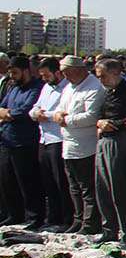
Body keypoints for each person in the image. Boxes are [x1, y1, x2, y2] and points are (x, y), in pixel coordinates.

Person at [53, 55, 105, 235]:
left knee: (87, 187)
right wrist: (59, 115)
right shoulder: (69, 87)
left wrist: (66, 119)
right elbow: (60, 108)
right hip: (68, 144)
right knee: (74, 187)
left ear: (78, 70)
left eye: (67, 73)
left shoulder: (94, 87)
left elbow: (91, 116)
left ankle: (91, 223)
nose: (65, 77)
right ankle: (79, 218)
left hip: (86, 145)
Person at [92, 58, 126, 243]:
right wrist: (100, 122)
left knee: (119, 188)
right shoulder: (107, 92)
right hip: (104, 139)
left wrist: (111, 125)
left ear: (115, 73)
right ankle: (109, 228)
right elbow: (100, 114)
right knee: (102, 187)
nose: (100, 80)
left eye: (103, 76)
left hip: (120, 140)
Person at [0, 55, 45, 228]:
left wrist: (8, 114)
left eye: (15, 72)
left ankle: (34, 217)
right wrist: (7, 114)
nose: (12, 76)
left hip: (25, 142)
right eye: (10, 73)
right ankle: (14, 214)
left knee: (28, 182)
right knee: (7, 181)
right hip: (7, 141)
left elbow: (25, 111)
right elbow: (2, 107)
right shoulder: (13, 88)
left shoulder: (36, 88)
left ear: (25, 71)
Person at [31, 58, 70, 231]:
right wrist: (36, 113)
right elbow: (34, 108)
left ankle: (66, 217)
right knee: (48, 182)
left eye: (47, 75)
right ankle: (53, 217)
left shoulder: (67, 88)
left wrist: (45, 115)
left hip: (58, 139)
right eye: (42, 76)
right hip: (44, 139)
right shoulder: (46, 87)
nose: (44, 79)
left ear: (57, 72)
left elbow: (63, 112)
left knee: (60, 181)